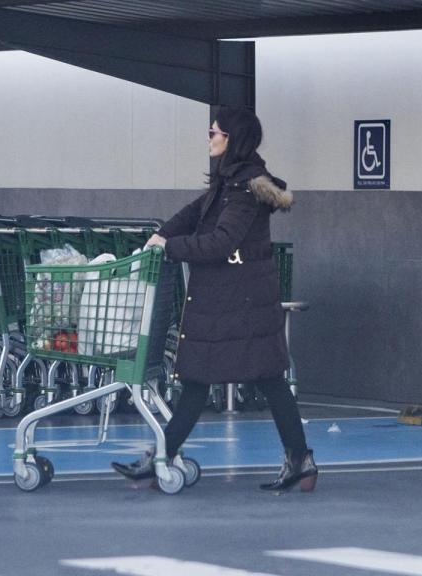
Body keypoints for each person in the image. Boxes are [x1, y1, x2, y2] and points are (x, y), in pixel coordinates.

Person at [111, 107, 317, 492]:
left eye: (214, 132)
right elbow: (194, 214)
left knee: (249, 378)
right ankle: (297, 460)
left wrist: (171, 247)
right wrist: (160, 235)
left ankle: (165, 457)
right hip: (233, 299)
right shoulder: (229, 182)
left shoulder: (244, 189)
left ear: (231, 139)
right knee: (211, 378)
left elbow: (223, 242)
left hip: (239, 303)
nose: (209, 138)